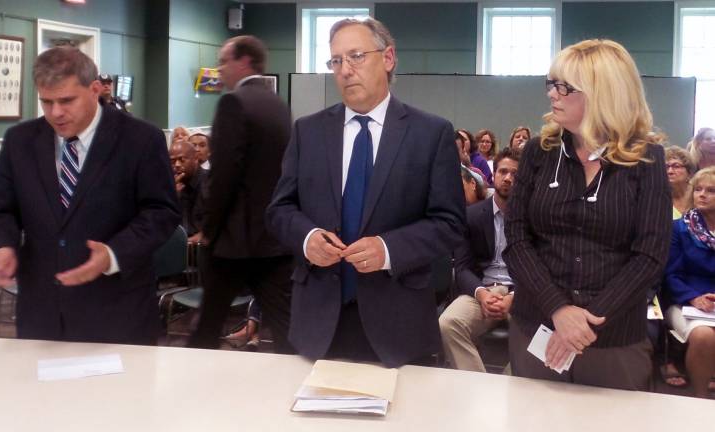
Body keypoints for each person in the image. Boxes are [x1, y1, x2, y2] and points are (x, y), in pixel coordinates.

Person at [266, 18, 465, 367]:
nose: (345, 70)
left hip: (398, 320)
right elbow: (279, 210)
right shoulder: (308, 132)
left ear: (388, 58)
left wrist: (388, 249)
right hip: (318, 320)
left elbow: (449, 223)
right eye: (336, 61)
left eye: (356, 56)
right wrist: (307, 237)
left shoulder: (430, 133)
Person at [0, 47, 180, 344]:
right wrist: (2, 245)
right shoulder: (20, 140)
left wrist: (112, 254)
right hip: (41, 310)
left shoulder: (140, 139)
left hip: (118, 309)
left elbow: (161, 212)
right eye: (46, 102)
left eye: (66, 100)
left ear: (95, 89)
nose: (55, 113)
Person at [503, 39, 671, 391]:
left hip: (613, 339)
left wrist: (587, 321)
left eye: (564, 87)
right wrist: (559, 310)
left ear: (603, 93)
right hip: (538, 327)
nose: (552, 95)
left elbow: (650, 255)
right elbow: (517, 238)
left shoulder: (647, 159)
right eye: (551, 84)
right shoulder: (539, 151)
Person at [190, 35, 294, 354]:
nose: (219, 69)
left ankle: (190, 386)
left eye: (223, 61)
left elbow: (224, 175)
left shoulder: (233, 103)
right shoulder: (278, 105)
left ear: (244, 61)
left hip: (234, 240)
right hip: (274, 237)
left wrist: (209, 228)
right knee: (285, 327)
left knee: (208, 324)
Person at [439, 147, 520, 371]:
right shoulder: (472, 216)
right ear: (494, 175)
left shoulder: (532, 218)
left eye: (515, 174)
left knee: (542, 335)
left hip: (521, 294)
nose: (508, 178)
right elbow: (462, 267)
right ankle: (480, 386)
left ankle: (509, 388)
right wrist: (482, 294)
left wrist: (513, 296)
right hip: (482, 290)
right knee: (447, 324)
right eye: (503, 171)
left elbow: (539, 269)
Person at [663, 166, 715, 398]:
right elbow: (669, 275)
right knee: (704, 335)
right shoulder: (679, 229)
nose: (702, 195)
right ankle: (701, 399)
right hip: (687, 301)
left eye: (711, 190)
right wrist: (694, 297)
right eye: (698, 189)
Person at [169, 139, 206, 237]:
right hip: (180, 245)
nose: (177, 165)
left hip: (205, 246)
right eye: (172, 161)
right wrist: (171, 196)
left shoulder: (210, 182)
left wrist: (206, 234)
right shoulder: (170, 185)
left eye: (182, 160)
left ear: (196, 158)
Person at [666, 147, 696, 220]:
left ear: (689, 172)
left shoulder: (700, 193)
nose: (670, 171)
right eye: (666, 167)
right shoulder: (659, 198)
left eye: (676, 166)